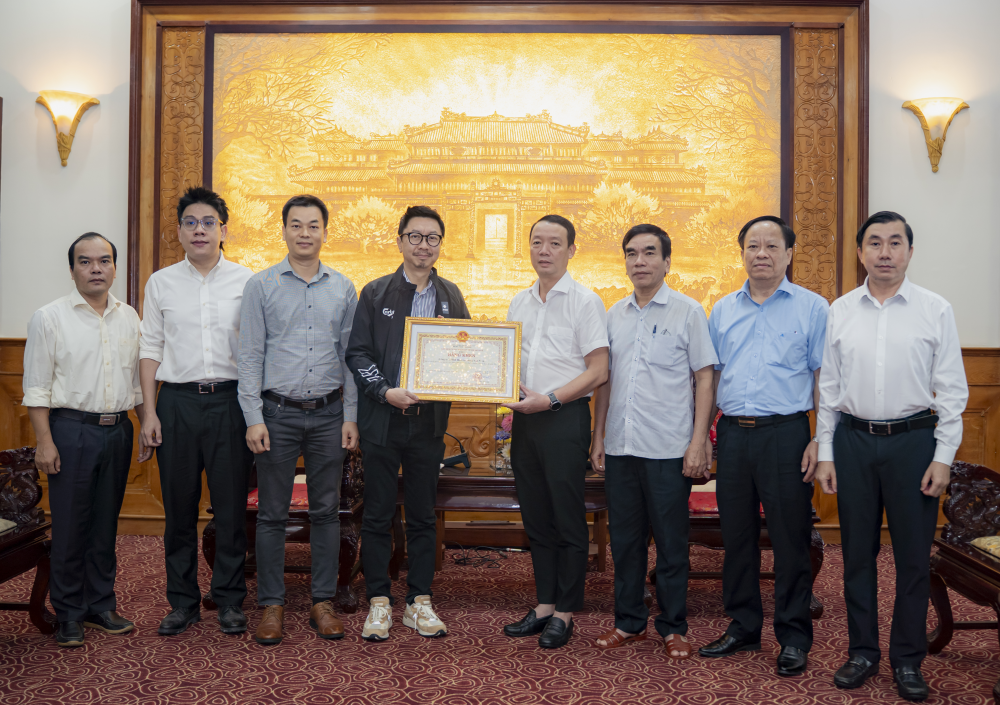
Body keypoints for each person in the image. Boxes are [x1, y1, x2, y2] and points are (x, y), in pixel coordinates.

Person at [815, 212, 968, 701]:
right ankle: (862, 652)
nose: (885, 252)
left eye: (895, 242)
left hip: (914, 444)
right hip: (853, 443)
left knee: (912, 559)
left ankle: (907, 659)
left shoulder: (935, 309)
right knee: (856, 556)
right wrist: (826, 452)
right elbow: (829, 388)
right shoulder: (840, 310)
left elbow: (952, 391)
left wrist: (943, 456)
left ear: (909, 251)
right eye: (875, 243)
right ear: (860, 252)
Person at [700, 216, 828, 677]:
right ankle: (743, 626)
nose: (761, 254)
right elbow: (711, 379)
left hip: (786, 434)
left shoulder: (813, 308)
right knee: (736, 537)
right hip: (733, 434)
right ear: (742, 253)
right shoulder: (722, 310)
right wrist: (703, 437)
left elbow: (824, 378)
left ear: (788, 254)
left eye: (771, 246)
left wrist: (820, 438)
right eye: (753, 246)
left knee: (790, 539)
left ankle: (793, 636)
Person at [590, 224, 717, 659]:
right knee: (625, 542)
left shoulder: (688, 311)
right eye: (631, 253)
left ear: (667, 261)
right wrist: (598, 436)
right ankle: (628, 622)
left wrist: (698, 442)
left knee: (671, 543)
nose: (639, 261)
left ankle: (673, 626)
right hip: (621, 447)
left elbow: (705, 379)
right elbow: (605, 381)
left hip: (668, 449)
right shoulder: (614, 314)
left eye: (649, 253)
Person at [238, 194, 359, 646]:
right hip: (276, 414)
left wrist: (350, 416)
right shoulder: (261, 285)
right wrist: (253, 417)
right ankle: (272, 605)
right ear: (285, 229)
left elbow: (349, 358)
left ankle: (322, 602)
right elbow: (249, 354)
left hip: (329, 414)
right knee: (272, 513)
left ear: (325, 231)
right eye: (296, 225)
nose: (304, 233)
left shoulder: (343, 287)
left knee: (326, 511)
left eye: (313, 225)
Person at [346, 205, 470, 642]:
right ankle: (379, 600)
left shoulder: (451, 296)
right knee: (378, 513)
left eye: (432, 238)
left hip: (428, 425)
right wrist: (384, 391)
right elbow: (357, 353)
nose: (423, 245)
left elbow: (468, 353)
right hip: (382, 422)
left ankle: (419, 600)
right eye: (415, 236)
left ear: (440, 244)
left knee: (421, 515)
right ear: (400, 241)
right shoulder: (376, 292)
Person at [23, 233, 150, 647]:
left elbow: (136, 382)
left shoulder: (129, 316)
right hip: (70, 431)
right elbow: (37, 387)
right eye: (85, 261)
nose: (96, 268)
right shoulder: (49, 317)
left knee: (104, 523)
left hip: (118, 430)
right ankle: (69, 613)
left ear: (114, 267)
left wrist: (145, 421)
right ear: (72, 269)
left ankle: (100, 604)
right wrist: (45, 441)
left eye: (104, 260)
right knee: (71, 525)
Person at [139, 186, 255, 636]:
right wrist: (149, 413)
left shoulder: (247, 281)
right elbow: (150, 348)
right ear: (180, 231)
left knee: (230, 509)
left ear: (224, 230)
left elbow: (256, 350)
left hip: (231, 402)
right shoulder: (161, 282)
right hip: (177, 404)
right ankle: (183, 602)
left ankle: (229, 600)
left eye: (208, 222)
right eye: (191, 222)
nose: (199, 230)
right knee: (179, 510)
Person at [502, 214, 609, 649]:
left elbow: (598, 370)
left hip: (565, 417)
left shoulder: (586, 301)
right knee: (537, 517)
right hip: (525, 420)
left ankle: (565, 611)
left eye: (554, 243)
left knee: (567, 517)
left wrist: (549, 400)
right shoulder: (519, 302)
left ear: (571, 250)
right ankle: (545, 604)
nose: (544, 250)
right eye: (537, 242)